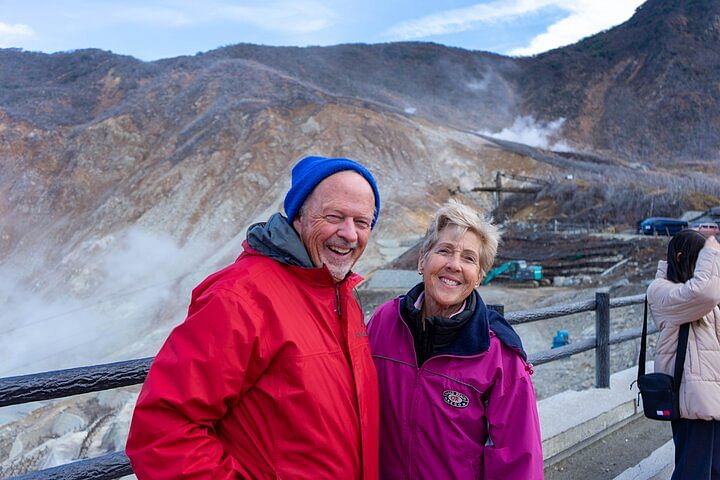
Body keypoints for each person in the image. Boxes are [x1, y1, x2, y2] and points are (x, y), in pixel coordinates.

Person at [126, 155, 382, 479]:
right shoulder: (241, 298)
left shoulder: (341, 296)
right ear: (299, 217)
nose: (349, 233)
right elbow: (163, 430)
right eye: (334, 216)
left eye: (362, 222)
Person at [367, 200, 544, 479]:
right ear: (422, 260)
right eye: (444, 251)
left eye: (469, 258)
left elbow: (519, 461)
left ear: (479, 277)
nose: (454, 265)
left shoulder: (499, 354)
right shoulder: (384, 321)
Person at [647, 229, 720, 479]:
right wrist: (710, 248)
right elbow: (705, 292)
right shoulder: (661, 291)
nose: (706, 269)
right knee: (694, 473)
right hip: (692, 401)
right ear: (680, 258)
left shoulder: (693, 297)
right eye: (700, 262)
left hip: (710, 398)